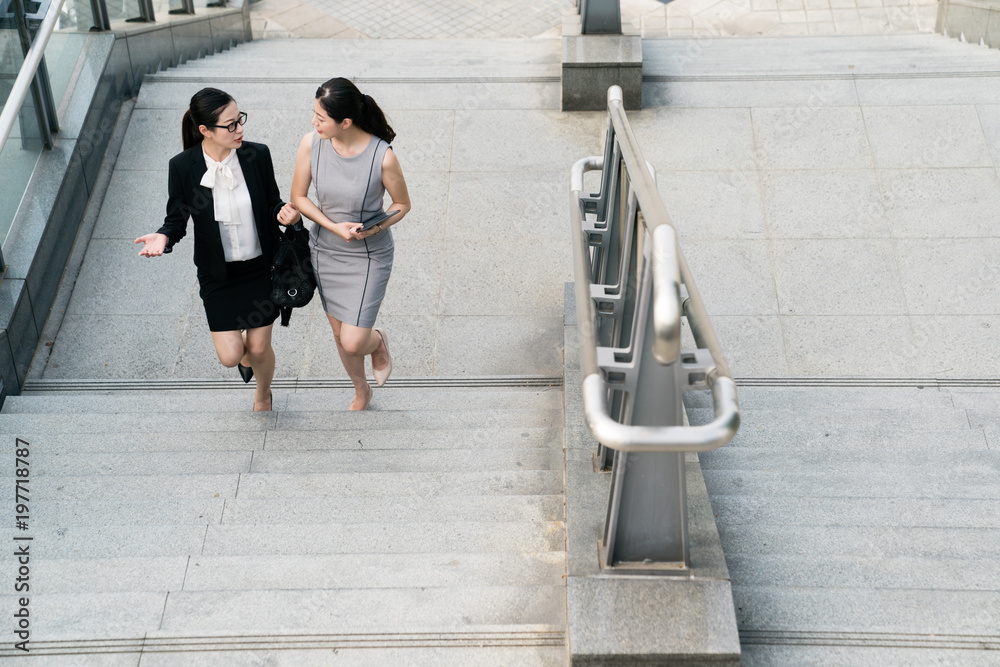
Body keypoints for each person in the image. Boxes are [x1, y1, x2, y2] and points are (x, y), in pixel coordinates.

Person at [135, 88, 300, 412]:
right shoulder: (183, 166)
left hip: (259, 270)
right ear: (205, 131)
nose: (240, 129)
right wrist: (164, 237)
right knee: (230, 356)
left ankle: (262, 394)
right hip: (218, 275)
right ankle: (246, 361)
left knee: (259, 346)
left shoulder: (256, 155)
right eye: (231, 125)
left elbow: (271, 203)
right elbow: (177, 217)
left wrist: (286, 214)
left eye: (240, 120)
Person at [291, 77, 411, 411]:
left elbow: (401, 204)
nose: (313, 123)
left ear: (345, 122)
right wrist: (332, 226)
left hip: (369, 255)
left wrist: (374, 229)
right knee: (340, 335)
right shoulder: (310, 144)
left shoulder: (382, 156)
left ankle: (377, 341)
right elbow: (298, 197)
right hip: (325, 252)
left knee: (354, 339)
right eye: (313, 114)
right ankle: (361, 390)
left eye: (320, 118)